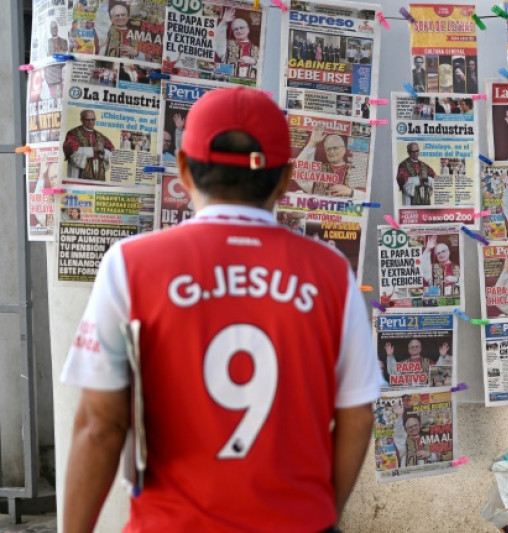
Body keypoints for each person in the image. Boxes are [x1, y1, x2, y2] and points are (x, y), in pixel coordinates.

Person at [60, 87, 381, 532]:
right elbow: (358, 415)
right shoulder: (331, 273)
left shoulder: (130, 265)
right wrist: (321, 512)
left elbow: (99, 425)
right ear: (287, 179)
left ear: (183, 170)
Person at [295, 126, 364, 199]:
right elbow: (297, 174)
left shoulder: (356, 171)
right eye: (328, 149)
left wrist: (351, 192)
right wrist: (312, 143)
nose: (331, 152)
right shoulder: (318, 169)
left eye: (335, 148)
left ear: (344, 150)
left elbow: (366, 197)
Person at [62, 109, 115, 181]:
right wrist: (93, 149)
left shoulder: (101, 136)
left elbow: (112, 154)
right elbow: (72, 151)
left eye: (93, 119)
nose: (91, 122)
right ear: (81, 120)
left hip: (99, 174)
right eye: (88, 120)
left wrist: (103, 152)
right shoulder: (73, 133)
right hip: (79, 174)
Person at [214, 7, 259, 79]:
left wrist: (254, 62)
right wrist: (224, 22)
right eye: (236, 29)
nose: (239, 31)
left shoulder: (257, 49)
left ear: (248, 29)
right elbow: (218, 41)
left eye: (242, 28)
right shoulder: (227, 46)